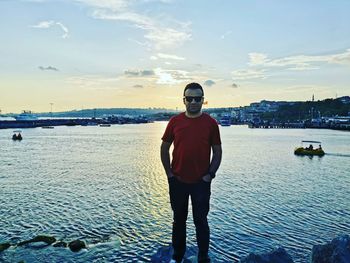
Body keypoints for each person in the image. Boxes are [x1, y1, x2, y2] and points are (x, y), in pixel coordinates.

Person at [160, 82, 222, 263]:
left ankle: (203, 257)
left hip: (201, 183)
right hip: (178, 181)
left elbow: (217, 152)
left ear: (203, 100)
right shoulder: (175, 122)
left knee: (200, 221)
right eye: (190, 98)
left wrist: (209, 175)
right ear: (184, 100)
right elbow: (164, 149)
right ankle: (177, 257)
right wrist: (169, 175)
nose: (193, 102)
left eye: (198, 98)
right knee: (178, 222)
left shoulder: (211, 123)